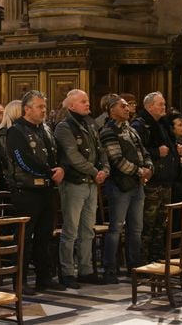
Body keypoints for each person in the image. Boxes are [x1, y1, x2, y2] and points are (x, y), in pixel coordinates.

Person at [6, 90, 65, 294]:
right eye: (40, 107)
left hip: (47, 190)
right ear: (27, 109)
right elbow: (23, 160)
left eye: (44, 107)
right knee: (24, 237)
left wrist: (60, 169)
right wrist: (50, 172)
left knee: (45, 236)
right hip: (27, 191)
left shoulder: (46, 129)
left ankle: (44, 278)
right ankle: (20, 281)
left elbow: (56, 153)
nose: (44, 111)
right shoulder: (16, 131)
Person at [55, 90, 109, 288]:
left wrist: (105, 169)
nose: (88, 104)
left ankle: (85, 269)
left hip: (91, 183)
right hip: (74, 183)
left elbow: (100, 150)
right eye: (83, 101)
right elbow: (73, 156)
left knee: (88, 230)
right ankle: (67, 272)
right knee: (70, 230)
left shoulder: (90, 123)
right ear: (71, 106)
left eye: (88, 100)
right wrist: (96, 171)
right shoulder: (64, 127)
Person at [100, 96, 153, 284]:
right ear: (111, 109)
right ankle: (110, 269)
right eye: (122, 106)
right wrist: (140, 171)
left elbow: (143, 152)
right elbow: (116, 159)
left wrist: (149, 167)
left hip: (137, 185)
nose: (127, 109)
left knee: (136, 229)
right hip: (120, 186)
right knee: (116, 228)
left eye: (127, 106)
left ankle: (134, 267)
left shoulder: (131, 130)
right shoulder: (108, 131)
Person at [131, 91, 179, 262]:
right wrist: (156, 152)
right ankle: (143, 261)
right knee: (148, 224)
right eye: (161, 104)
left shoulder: (162, 124)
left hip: (165, 181)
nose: (164, 107)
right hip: (152, 182)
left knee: (161, 224)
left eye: (164, 104)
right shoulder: (140, 125)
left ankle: (157, 257)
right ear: (150, 106)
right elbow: (137, 151)